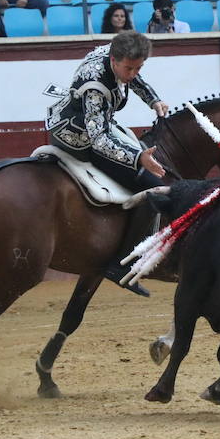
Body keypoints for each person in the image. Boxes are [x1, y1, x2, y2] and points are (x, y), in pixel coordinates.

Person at [45, 31, 168, 295]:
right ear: (114, 60)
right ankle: (121, 263)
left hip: (90, 124)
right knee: (153, 191)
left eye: (139, 67)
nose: (133, 73)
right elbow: (98, 140)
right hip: (78, 138)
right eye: (129, 68)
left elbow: (133, 79)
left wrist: (153, 99)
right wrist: (138, 158)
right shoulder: (95, 87)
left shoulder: (114, 53)